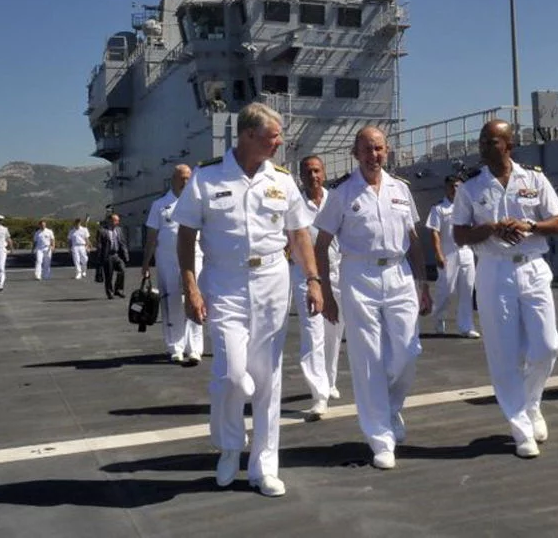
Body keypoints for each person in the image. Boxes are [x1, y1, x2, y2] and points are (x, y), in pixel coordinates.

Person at [172, 102, 322, 498]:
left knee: (268, 377)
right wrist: (191, 287)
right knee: (232, 374)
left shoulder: (283, 180)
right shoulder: (206, 177)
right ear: (249, 135)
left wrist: (313, 279)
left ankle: (264, 465)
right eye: (274, 136)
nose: (279, 142)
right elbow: (186, 235)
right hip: (223, 281)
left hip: (272, 280)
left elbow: (300, 234)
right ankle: (229, 447)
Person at [314, 126, 432, 471]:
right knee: (368, 358)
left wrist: (423, 283)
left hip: (399, 274)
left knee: (408, 352)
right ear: (356, 153)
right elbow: (321, 246)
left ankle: (392, 408)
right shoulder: (341, 194)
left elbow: (414, 238)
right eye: (367, 149)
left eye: (379, 148)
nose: (373, 155)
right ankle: (380, 436)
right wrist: (324, 290)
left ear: (387, 151)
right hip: (358, 275)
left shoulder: (400, 190)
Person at [452, 119, 558, 459]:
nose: (485, 147)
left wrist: (528, 224)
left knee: (547, 345)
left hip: (532, 266)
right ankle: (520, 428)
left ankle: (532, 404)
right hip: (494, 270)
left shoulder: (534, 178)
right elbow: (458, 235)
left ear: (509, 145)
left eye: (492, 141)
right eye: (482, 141)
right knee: (503, 353)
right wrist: (488, 229)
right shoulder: (470, 188)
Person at [290, 155, 346, 418]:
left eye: (316, 171)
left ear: (323, 173)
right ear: (300, 176)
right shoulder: (292, 203)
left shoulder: (336, 200)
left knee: (334, 329)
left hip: (337, 271)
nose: (312, 176)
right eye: (307, 171)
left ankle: (330, 380)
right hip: (305, 274)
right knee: (313, 333)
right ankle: (319, 395)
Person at [142, 164, 204, 365]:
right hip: (168, 261)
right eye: (181, 178)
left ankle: (194, 348)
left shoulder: (198, 203)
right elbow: (151, 237)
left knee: (195, 302)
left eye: (188, 178)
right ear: (173, 179)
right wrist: (145, 265)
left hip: (195, 260)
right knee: (172, 304)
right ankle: (175, 347)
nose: (185, 182)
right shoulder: (160, 205)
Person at [426, 175, 480, 338]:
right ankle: (439, 318)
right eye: (451, 186)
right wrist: (438, 253)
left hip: (465, 252)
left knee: (467, 290)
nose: (454, 189)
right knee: (446, 290)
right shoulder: (439, 208)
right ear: (446, 188)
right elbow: (434, 232)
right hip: (447, 252)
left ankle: (466, 326)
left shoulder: (468, 206)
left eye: (457, 186)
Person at [97, 213, 129, 299]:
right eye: (116, 220)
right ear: (110, 221)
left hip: (116, 255)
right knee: (109, 275)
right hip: (107, 256)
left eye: (118, 220)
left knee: (122, 270)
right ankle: (109, 292)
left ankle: (118, 290)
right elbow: (99, 245)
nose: (118, 222)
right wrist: (99, 258)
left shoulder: (119, 230)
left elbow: (123, 243)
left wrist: (126, 255)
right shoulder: (102, 231)